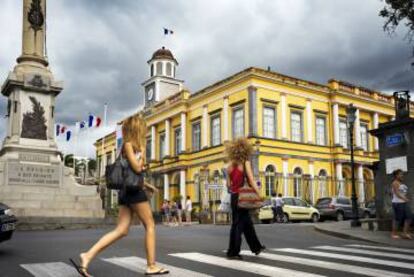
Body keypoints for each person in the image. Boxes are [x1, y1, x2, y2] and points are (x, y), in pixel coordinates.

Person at [70, 115, 169, 276]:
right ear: (137, 129)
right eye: (142, 128)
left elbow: (131, 175)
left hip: (127, 192)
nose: (145, 131)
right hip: (133, 193)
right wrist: (143, 153)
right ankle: (151, 265)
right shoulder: (128, 145)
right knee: (150, 225)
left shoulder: (131, 146)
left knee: (121, 230)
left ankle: (87, 255)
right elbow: (137, 169)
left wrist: (149, 185)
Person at [225, 138, 266, 259]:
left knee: (245, 223)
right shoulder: (245, 163)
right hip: (243, 196)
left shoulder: (229, 166)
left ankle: (256, 247)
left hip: (234, 196)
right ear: (245, 150)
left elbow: (228, 185)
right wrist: (259, 194)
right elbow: (251, 180)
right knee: (238, 225)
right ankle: (233, 251)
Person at [391, 169, 412, 239]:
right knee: (397, 219)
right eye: (400, 174)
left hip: (403, 203)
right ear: (396, 175)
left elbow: (403, 192)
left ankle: (405, 233)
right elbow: (397, 193)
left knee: (409, 217)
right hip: (397, 203)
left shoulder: (401, 183)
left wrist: (405, 199)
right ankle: (393, 234)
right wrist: (405, 199)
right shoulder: (395, 183)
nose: (402, 175)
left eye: (402, 174)